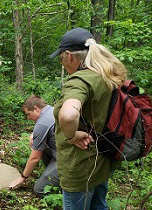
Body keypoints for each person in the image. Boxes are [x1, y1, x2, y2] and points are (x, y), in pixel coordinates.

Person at [50, 28, 127, 209]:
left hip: (80, 166)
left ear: (69, 56)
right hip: (101, 160)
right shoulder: (106, 75)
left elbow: (69, 115)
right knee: (99, 206)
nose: (62, 63)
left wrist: (71, 136)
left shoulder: (80, 81)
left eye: (61, 58)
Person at [9, 95, 59, 197]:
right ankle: (53, 175)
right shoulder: (52, 110)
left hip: (67, 159)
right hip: (64, 151)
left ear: (36, 108)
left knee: (39, 189)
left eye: (28, 114)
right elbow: (46, 127)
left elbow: (35, 158)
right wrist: (34, 134)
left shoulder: (41, 124)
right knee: (40, 145)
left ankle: (61, 186)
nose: (28, 118)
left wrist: (23, 178)